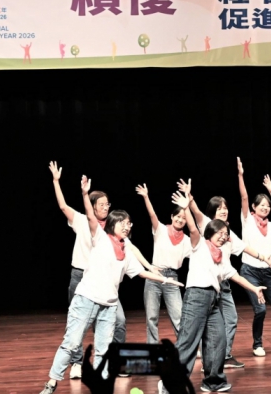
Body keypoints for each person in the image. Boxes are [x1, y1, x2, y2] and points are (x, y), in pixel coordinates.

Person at [40, 176, 183, 394]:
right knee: (71, 343)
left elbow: (141, 272)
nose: (127, 226)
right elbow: (90, 216)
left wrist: (164, 278)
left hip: (109, 306)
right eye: (123, 223)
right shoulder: (100, 237)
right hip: (86, 299)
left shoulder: (125, 249)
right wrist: (84, 194)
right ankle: (51, 383)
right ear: (113, 224)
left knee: (103, 351)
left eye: (129, 223)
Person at [48, 162, 154, 379]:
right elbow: (63, 206)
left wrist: (149, 266)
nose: (106, 207)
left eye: (108, 204)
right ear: (93, 205)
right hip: (81, 276)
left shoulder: (114, 228)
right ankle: (77, 362)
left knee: (119, 321)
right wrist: (56, 181)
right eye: (102, 204)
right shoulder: (83, 220)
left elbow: (131, 249)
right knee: (77, 326)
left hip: (105, 280)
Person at [167, 192, 266, 394]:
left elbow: (235, 276)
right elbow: (192, 227)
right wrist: (186, 207)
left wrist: (254, 288)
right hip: (196, 297)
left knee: (217, 339)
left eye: (225, 234)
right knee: (188, 342)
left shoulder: (222, 257)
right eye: (219, 233)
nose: (223, 236)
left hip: (213, 300)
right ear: (209, 233)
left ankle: (213, 381)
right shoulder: (198, 244)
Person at [179, 178, 271, 369]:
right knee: (195, 331)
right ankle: (206, 361)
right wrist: (189, 200)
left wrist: (263, 258)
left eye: (225, 207)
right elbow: (195, 218)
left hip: (222, 281)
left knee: (229, 320)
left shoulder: (227, 234)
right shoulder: (207, 227)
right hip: (201, 286)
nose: (224, 210)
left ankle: (221, 358)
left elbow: (243, 249)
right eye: (219, 208)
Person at [236, 157, 271, 357]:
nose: (265, 208)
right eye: (261, 205)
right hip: (250, 272)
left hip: (268, 273)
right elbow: (244, 197)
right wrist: (240, 175)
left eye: (268, 206)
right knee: (261, 309)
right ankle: (257, 344)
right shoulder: (247, 220)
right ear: (254, 207)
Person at [136, 183, 192, 344]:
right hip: (154, 276)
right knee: (151, 317)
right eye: (178, 216)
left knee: (178, 315)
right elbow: (152, 214)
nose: (180, 220)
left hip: (172, 278)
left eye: (184, 218)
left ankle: (184, 347)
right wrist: (146, 197)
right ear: (172, 217)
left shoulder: (187, 240)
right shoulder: (160, 230)